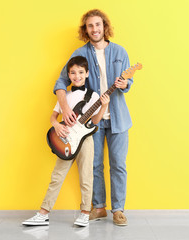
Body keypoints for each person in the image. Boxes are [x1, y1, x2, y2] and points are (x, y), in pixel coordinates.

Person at [53, 9, 133, 226]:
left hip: (118, 119)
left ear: (104, 26)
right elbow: (61, 82)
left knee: (118, 165)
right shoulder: (79, 52)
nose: (95, 29)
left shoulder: (120, 51)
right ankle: (98, 207)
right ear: (85, 29)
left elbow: (129, 82)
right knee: (94, 165)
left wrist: (125, 84)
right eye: (90, 25)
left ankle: (118, 210)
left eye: (98, 24)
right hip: (89, 122)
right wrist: (64, 108)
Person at [22, 56, 110, 227]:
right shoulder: (65, 96)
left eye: (80, 72)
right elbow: (53, 117)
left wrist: (104, 105)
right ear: (69, 75)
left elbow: (96, 121)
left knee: (86, 176)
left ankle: (85, 213)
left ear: (87, 74)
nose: (77, 76)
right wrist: (56, 125)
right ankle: (43, 213)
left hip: (85, 140)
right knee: (57, 176)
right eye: (73, 73)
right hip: (67, 140)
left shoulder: (93, 96)